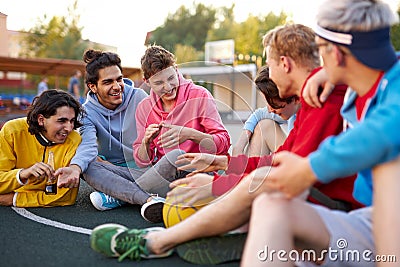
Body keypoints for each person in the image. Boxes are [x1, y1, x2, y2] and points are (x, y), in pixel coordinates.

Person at [88, 24, 363, 264]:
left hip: (331, 209)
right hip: (303, 197)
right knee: (98, 168)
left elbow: (283, 173)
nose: (268, 71)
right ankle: (233, 230)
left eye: (269, 64)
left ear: (285, 64)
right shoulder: (314, 102)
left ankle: (157, 240)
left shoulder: (325, 101)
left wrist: (217, 183)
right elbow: (278, 162)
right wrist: (218, 162)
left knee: (254, 185)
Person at [241, 0, 400, 266]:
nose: (318, 60)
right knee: (270, 207)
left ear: (336, 54)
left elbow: (383, 131)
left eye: (321, 49)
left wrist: (308, 168)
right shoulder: (362, 83)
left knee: (389, 166)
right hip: (367, 220)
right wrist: (326, 73)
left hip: (385, 221)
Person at [132, 45, 230, 168]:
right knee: (106, 171)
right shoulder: (144, 108)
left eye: (171, 78)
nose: (168, 87)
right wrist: (146, 143)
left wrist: (190, 134)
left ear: (176, 70)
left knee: (175, 156)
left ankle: (137, 186)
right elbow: (142, 163)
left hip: (197, 169)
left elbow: (224, 143)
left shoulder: (199, 95)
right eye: (159, 83)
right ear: (146, 81)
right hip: (164, 171)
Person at [0, 89, 83, 207]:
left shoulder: (74, 139)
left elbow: (66, 196)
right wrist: (22, 174)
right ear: (41, 120)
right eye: (62, 121)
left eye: (72, 121)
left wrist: (14, 198)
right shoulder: (12, 131)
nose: (69, 128)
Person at [232, 66, 299, 157]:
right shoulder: (290, 110)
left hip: (304, 162)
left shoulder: (311, 111)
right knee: (264, 125)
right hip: (293, 155)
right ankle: (247, 169)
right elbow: (258, 114)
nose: (269, 109)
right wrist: (239, 146)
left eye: (273, 104)